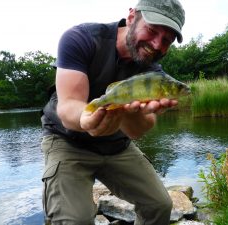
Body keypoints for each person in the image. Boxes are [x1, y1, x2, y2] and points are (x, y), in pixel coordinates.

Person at [41, 0, 185, 224]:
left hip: (116, 144)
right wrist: (87, 119)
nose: (157, 44)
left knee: (159, 205)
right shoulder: (81, 38)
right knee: (74, 220)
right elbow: (68, 106)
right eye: (152, 30)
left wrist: (131, 114)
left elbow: (136, 131)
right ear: (131, 17)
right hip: (67, 141)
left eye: (166, 40)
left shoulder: (153, 71)